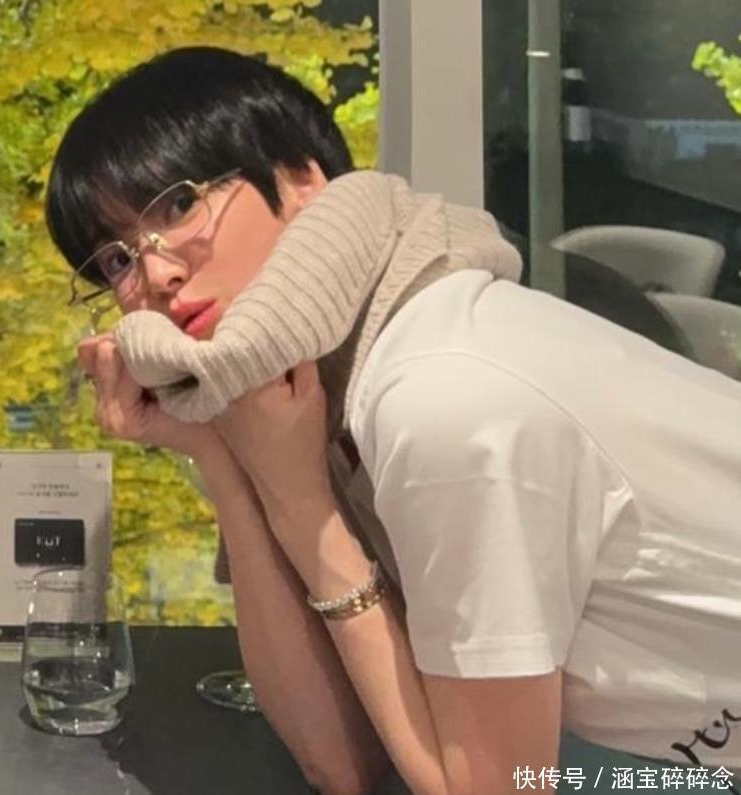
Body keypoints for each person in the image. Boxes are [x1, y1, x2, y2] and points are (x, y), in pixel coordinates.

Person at [46, 47, 741, 795]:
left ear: (303, 180)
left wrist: (305, 506)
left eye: (179, 207)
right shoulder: (334, 379)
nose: (155, 274)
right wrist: (222, 456)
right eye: (115, 260)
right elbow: (341, 758)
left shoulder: (442, 396)